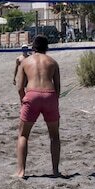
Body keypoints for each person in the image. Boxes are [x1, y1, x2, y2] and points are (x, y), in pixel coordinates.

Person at [15, 35, 61, 179]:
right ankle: (55, 170)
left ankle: (21, 171)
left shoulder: (26, 62)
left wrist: (23, 100)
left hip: (32, 95)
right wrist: (54, 100)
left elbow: (19, 87)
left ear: (33, 47)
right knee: (54, 136)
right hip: (49, 95)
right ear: (46, 48)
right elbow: (58, 88)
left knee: (23, 135)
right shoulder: (53, 62)